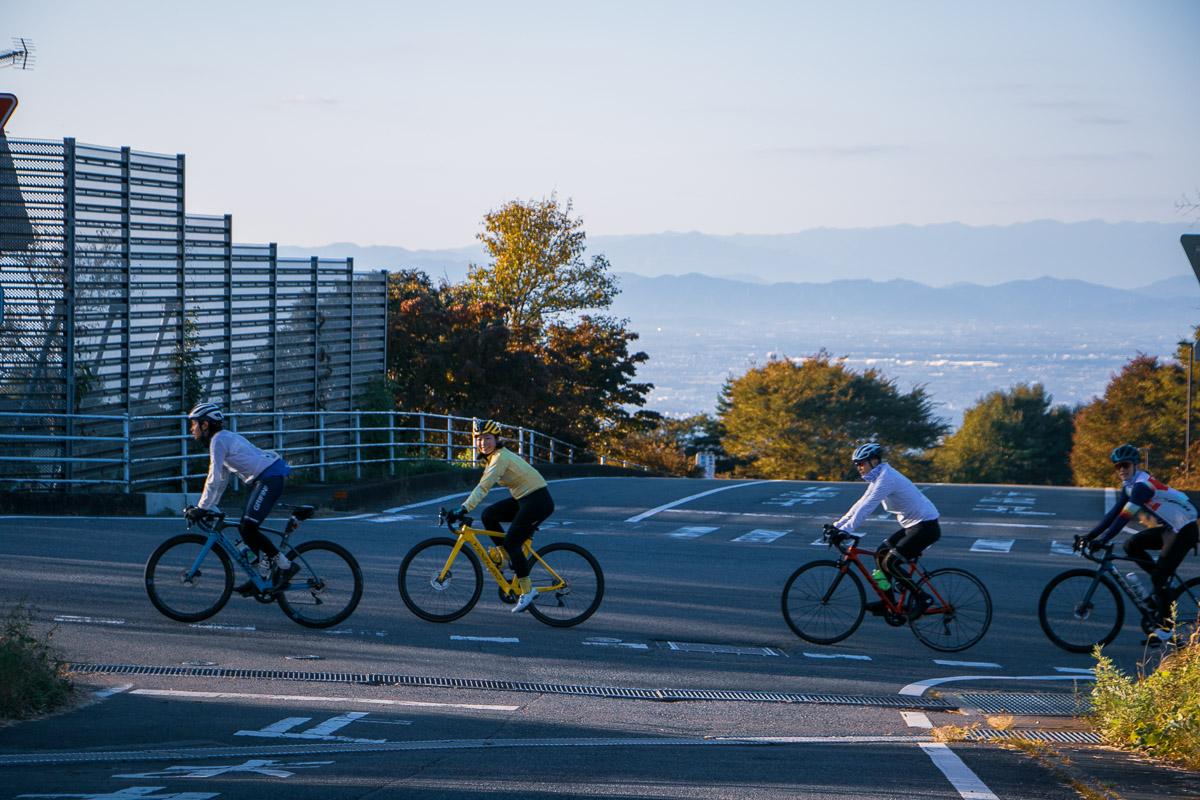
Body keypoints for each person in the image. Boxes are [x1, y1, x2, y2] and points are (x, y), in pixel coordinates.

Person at [1081, 444, 1199, 646]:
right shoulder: (1129, 486)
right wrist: (1090, 536)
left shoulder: (1142, 487)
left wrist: (1103, 540)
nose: (1121, 470)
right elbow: (1113, 514)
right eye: (1117, 467)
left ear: (1135, 465)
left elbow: (1124, 517)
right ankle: (1163, 586)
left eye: (1125, 465)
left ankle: (1164, 630)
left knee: (1159, 575)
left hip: (1185, 530)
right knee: (1131, 545)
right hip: (1170, 527)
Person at [183, 402, 298, 594]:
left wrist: (202, 507)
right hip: (267, 479)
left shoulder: (218, 440)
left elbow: (213, 475)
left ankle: (287, 566)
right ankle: (260, 578)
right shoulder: (221, 439)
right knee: (248, 530)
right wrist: (211, 505)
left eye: (194, 423)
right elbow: (221, 478)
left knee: (248, 527)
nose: (191, 428)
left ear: (205, 424)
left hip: (270, 479)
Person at [449, 419, 555, 613]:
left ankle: (527, 591)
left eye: (487, 438)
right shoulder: (492, 458)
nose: (483, 443)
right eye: (479, 439)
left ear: (497, 439)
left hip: (538, 501)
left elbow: (484, 486)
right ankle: (505, 559)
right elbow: (484, 486)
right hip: (524, 499)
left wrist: (462, 509)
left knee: (513, 542)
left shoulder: (500, 458)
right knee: (489, 515)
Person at [829, 443, 941, 619]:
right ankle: (888, 601)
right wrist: (838, 526)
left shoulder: (886, 478)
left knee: (890, 563)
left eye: (861, 464)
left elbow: (868, 507)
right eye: (857, 464)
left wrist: (846, 530)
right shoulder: (879, 477)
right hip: (912, 526)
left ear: (874, 462)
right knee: (880, 554)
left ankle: (922, 598)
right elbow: (860, 503)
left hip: (926, 527)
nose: (858, 468)